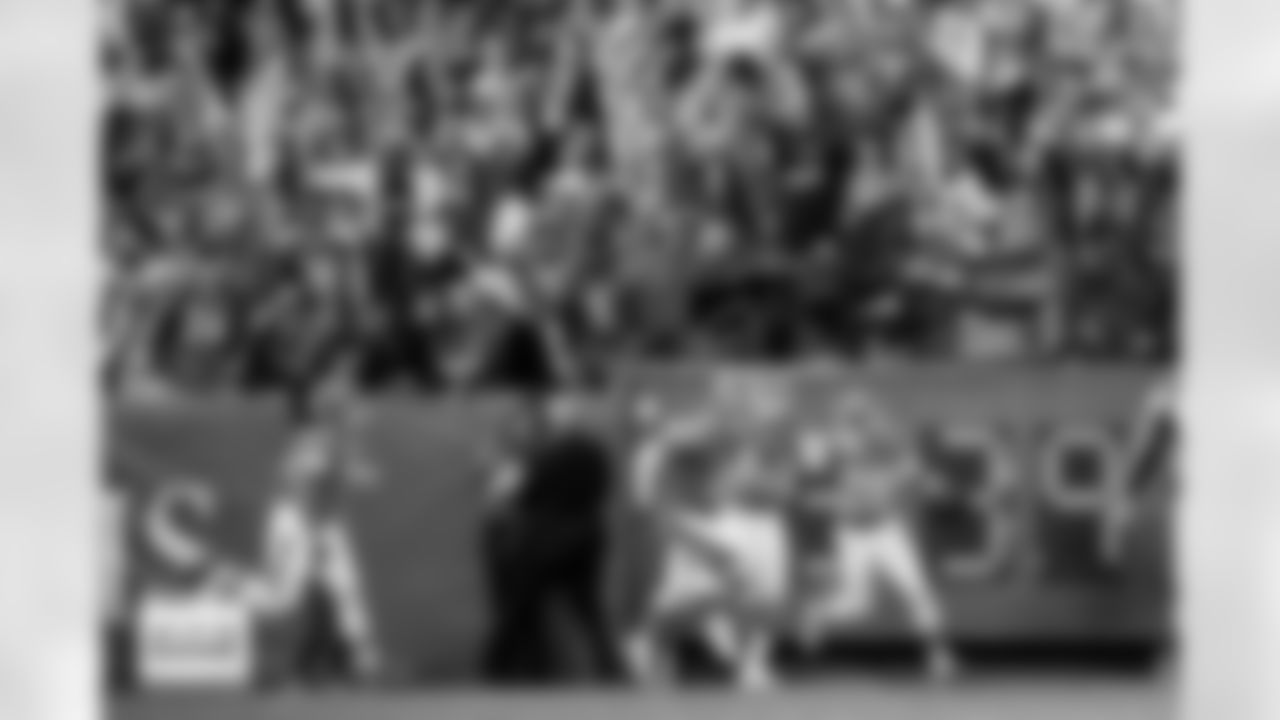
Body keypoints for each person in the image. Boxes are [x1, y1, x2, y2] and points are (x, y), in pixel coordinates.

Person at [621, 398, 791, 692]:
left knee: (748, 589)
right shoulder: (678, 442)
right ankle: (650, 638)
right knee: (726, 578)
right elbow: (678, 454)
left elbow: (730, 470)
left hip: (716, 520)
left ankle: (748, 665)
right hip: (684, 520)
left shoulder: (733, 446)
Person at [789, 393, 958, 682]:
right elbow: (809, 484)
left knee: (915, 588)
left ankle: (938, 655)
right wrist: (825, 495)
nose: (859, 423)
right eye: (852, 417)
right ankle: (812, 627)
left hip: (887, 531)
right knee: (855, 605)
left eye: (862, 416)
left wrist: (930, 483)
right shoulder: (830, 448)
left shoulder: (885, 444)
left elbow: (913, 472)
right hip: (852, 535)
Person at [481, 392, 621, 685]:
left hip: (545, 539)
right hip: (588, 535)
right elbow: (606, 490)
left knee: (519, 605)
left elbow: (523, 496)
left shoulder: (545, 454)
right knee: (588, 609)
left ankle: (497, 669)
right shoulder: (596, 452)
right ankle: (611, 670)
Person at [254, 385, 382, 687]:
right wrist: (311, 534)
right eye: (346, 409)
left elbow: (362, 476)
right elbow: (303, 489)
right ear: (331, 413)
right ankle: (269, 663)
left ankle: (362, 659)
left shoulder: (337, 440)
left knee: (345, 584)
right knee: (286, 595)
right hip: (297, 521)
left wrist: (357, 445)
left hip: (321, 522)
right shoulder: (316, 441)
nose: (354, 413)